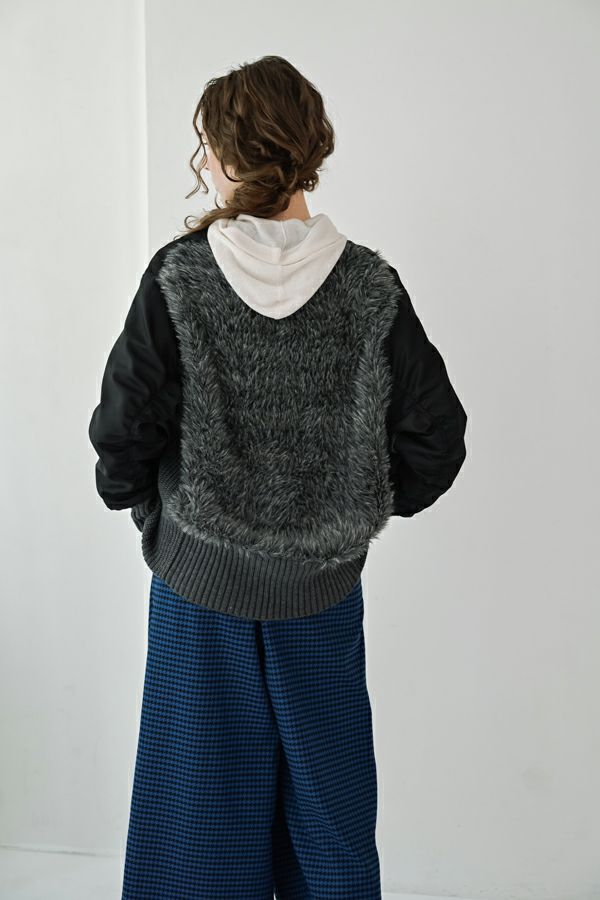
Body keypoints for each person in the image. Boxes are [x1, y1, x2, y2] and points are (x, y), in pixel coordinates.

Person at [88, 54, 468, 900]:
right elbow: (437, 440)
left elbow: (122, 431)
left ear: (234, 155)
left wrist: (153, 516)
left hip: (198, 592)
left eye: (207, 145)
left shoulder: (180, 275)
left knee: (197, 824)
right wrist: (352, 512)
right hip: (321, 596)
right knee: (328, 818)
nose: (202, 162)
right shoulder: (370, 284)